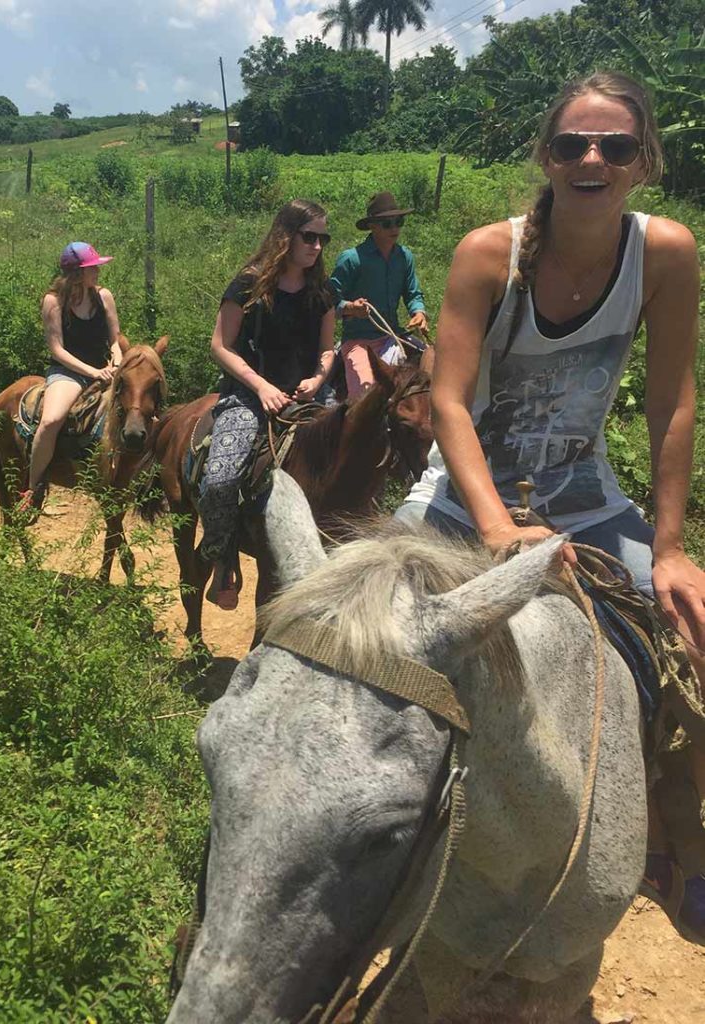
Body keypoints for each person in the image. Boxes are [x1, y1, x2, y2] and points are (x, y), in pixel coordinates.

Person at [396, 71, 705, 941]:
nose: (591, 159)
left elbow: (673, 399)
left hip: (586, 500)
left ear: (643, 160)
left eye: (613, 145)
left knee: (693, 632)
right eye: (571, 145)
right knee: (351, 653)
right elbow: (449, 399)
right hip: (462, 503)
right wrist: (494, 526)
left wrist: (672, 547)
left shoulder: (666, 252)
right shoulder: (486, 254)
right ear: (546, 157)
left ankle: (674, 836)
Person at [199, 199, 337, 610]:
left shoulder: (323, 292)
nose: (316, 247)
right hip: (249, 395)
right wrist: (260, 387)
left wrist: (318, 378)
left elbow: (328, 350)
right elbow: (219, 346)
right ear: (286, 236)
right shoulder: (249, 284)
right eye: (309, 237)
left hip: (307, 396)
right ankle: (222, 557)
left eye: (322, 239)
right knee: (221, 478)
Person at [19, 241, 122, 510]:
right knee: (51, 420)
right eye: (92, 268)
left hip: (106, 369)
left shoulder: (104, 296)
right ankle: (35, 486)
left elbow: (115, 339)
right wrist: (93, 372)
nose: (98, 272)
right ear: (76, 273)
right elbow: (57, 349)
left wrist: (117, 362)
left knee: (142, 408)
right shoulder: (53, 301)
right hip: (68, 373)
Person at [330, 191, 429, 397]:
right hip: (359, 339)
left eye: (398, 221)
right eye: (387, 224)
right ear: (372, 226)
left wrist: (418, 312)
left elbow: (413, 293)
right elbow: (329, 303)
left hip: (392, 334)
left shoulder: (404, 257)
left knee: (434, 367)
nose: (394, 228)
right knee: (366, 393)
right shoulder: (352, 259)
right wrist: (349, 308)